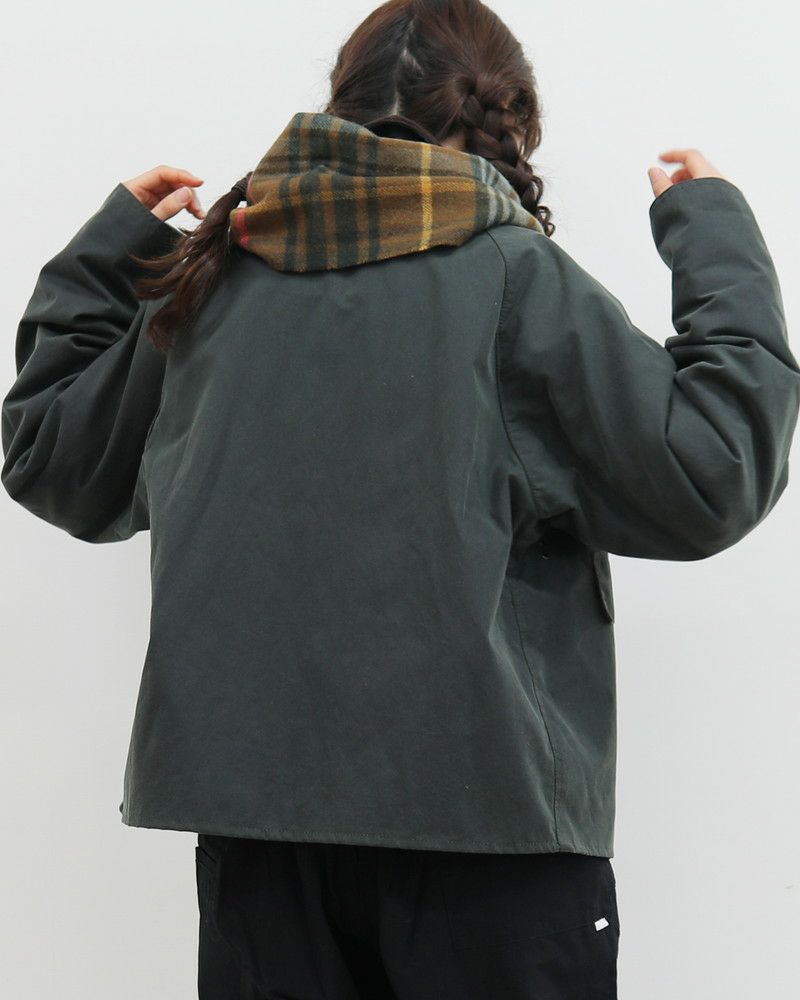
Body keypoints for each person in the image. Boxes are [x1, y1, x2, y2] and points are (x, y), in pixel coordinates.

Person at [3, 1, 799, 997]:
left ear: (341, 105)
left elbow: (51, 456)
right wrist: (713, 234)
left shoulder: (208, 283)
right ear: (504, 116)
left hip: (261, 853)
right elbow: (714, 469)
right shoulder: (514, 277)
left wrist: (112, 246)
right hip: (490, 843)